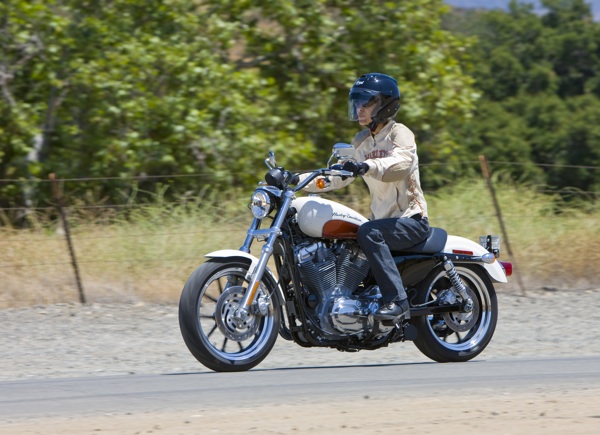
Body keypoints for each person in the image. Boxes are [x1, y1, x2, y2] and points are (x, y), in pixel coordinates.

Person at [300, 72, 430, 323]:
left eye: (366, 102)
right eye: (356, 102)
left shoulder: (399, 133)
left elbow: (401, 164)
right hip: (381, 222)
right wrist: (295, 181)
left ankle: (398, 302)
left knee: (369, 233)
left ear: (385, 104)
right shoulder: (361, 141)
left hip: (410, 220)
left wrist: (366, 166)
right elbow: (338, 176)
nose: (359, 108)